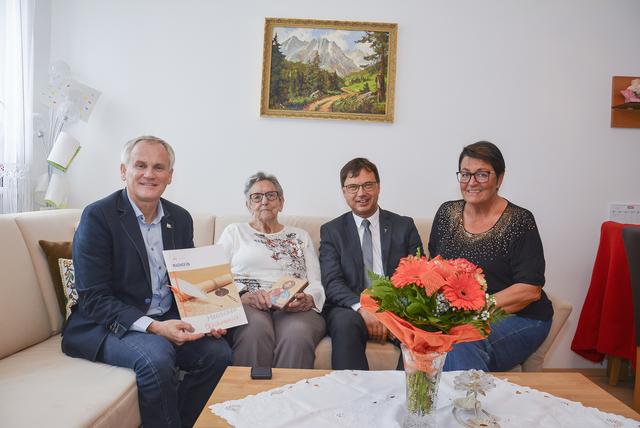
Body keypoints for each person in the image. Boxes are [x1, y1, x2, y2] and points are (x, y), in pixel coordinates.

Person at [62, 136, 232, 427]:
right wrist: (154, 327)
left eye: (158, 167)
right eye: (140, 165)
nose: (149, 174)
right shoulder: (98, 216)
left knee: (218, 353)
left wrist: (207, 316)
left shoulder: (180, 218)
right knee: (158, 355)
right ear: (123, 170)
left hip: (165, 316)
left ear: (170, 175)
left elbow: (186, 281)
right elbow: (93, 298)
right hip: (110, 325)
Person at [428, 141, 553, 371]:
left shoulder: (519, 221)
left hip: (519, 317)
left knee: (462, 339)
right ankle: (412, 404)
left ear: (500, 178)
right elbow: (434, 269)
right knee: (418, 335)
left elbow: (529, 290)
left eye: (482, 174)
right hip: (460, 316)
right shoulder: (447, 213)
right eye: (465, 174)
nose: (472, 182)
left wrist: (474, 310)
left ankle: (468, 405)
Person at [319, 158, 423, 370]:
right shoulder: (332, 231)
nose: (361, 193)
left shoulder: (404, 225)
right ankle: (353, 397)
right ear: (344, 191)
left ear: (378, 186)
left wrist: (390, 312)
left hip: (397, 306)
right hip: (350, 308)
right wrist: (362, 309)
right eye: (353, 187)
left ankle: (406, 396)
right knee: (344, 323)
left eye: (368, 185)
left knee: (420, 328)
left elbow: (418, 274)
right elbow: (332, 282)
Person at [217, 172, 326, 369]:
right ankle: (249, 398)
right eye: (256, 197)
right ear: (248, 204)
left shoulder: (300, 236)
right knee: (255, 330)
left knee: (298, 334)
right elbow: (217, 275)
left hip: (295, 306)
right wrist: (243, 295)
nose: (264, 201)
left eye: (271, 195)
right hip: (250, 303)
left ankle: (288, 397)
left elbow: (315, 281)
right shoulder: (235, 232)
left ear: (281, 202)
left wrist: (308, 299)